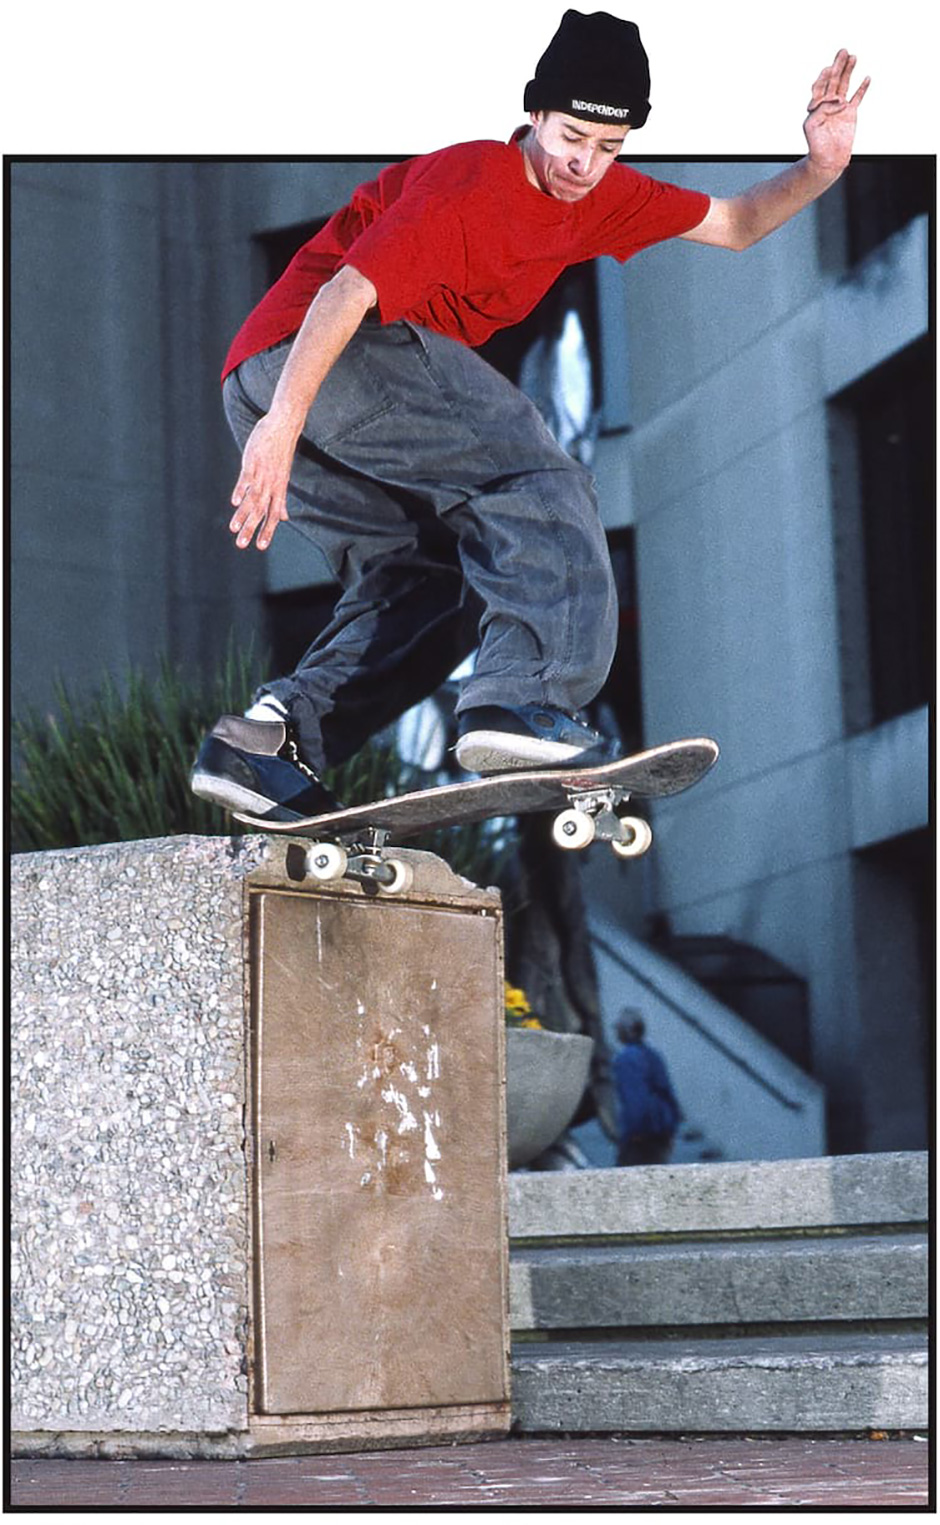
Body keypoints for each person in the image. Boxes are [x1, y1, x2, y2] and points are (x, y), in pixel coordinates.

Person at [190, 11, 869, 822]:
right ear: (536, 114)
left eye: (610, 147)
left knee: (429, 588)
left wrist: (820, 169)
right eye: (572, 134)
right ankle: (527, 693)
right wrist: (284, 423)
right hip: (319, 359)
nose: (584, 164)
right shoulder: (476, 181)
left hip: (266, 384)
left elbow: (735, 222)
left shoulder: (608, 198)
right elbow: (346, 291)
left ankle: (266, 743)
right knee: (537, 476)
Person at [613, 1012, 682, 1166]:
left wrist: (635, 1130)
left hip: (642, 1134)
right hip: (662, 1128)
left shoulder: (626, 1059)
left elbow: (635, 1099)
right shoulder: (653, 1055)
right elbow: (667, 1092)